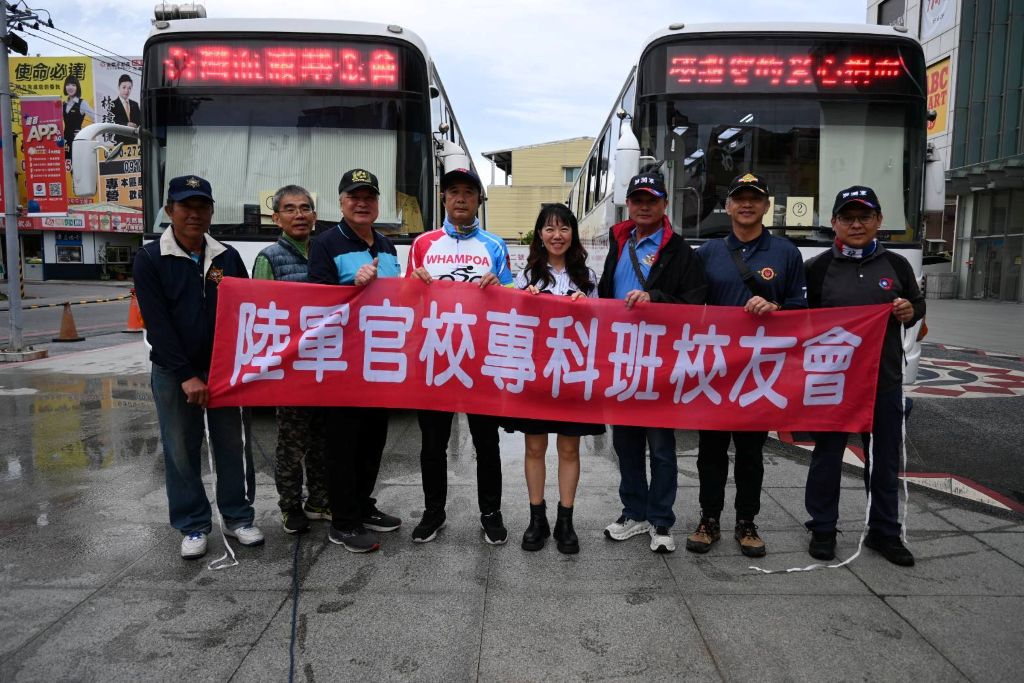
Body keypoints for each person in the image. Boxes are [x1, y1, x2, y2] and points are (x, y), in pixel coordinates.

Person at [132, 175, 262, 560]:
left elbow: (245, 311)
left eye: (202, 206)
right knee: (180, 448)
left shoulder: (227, 257)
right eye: (186, 206)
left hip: (224, 371)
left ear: (211, 212)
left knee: (233, 446)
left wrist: (243, 364)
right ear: (169, 210)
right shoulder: (150, 259)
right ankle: (192, 524)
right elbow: (157, 324)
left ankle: (238, 517)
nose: (194, 214)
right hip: (174, 373)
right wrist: (186, 375)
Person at [687, 172, 808, 558]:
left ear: (766, 206)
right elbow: (689, 307)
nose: (747, 205)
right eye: (739, 198)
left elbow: (802, 308)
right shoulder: (708, 253)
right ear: (727, 206)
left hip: (760, 371)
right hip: (715, 370)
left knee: (751, 452)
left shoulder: (786, 253)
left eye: (755, 198)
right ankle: (708, 519)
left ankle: (746, 521)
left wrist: (775, 307)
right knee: (710, 451)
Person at [804, 185, 925, 566]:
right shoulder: (817, 268)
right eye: (848, 218)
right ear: (834, 223)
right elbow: (798, 321)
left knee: (884, 460)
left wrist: (909, 311)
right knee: (827, 457)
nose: (856, 224)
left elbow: (917, 304)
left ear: (878, 221)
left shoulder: (897, 265)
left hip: (883, 381)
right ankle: (823, 528)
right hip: (833, 382)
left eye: (865, 217)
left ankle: (884, 532)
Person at [597, 171, 707, 553]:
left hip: (661, 362)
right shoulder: (619, 242)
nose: (644, 206)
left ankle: (661, 520)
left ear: (664, 204)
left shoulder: (680, 251)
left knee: (661, 447)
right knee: (625, 444)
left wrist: (655, 298)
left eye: (652, 200)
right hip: (622, 358)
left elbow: (696, 303)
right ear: (628, 204)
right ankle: (634, 512)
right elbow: (605, 295)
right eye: (638, 200)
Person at [406, 167, 513, 545]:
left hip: (480, 358)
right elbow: (405, 300)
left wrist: (500, 286)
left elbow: (512, 300)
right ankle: (433, 511)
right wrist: (411, 285)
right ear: (444, 198)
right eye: (454, 192)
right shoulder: (423, 244)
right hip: (435, 357)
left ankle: (491, 513)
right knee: (432, 445)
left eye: (469, 192)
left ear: (479, 200)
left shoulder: (495, 245)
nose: (461, 198)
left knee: (487, 442)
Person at [307, 168, 403, 553]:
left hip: (379, 361)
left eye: (369, 197)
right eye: (354, 197)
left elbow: (397, 299)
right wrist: (350, 285)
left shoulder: (388, 245)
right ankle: (343, 522)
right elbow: (314, 301)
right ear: (341, 202)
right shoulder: (325, 243)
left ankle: (363, 505)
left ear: (377, 203)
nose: (362, 204)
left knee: (373, 441)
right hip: (342, 363)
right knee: (343, 446)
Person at [505, 204, 603, 554]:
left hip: (573, 374)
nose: (556, 235)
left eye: (563, 228)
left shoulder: (587, 277)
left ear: (573, 234)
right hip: (536, 376)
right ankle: (537, 518)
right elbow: (513, 325)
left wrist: (587, 306)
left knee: (569, 448)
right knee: (534, 448)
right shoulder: (526, 277)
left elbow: (600, 327)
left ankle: (566, 520)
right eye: (549, 228)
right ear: (540, 235)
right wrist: (525, 302)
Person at [252, 185, 331, 535]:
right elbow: (259, 315)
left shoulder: (325, 253)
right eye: (290, 209)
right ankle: (290, 506)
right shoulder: (268, 258)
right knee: (291, 443)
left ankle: (319, 501)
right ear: (276, 218)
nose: (299, 215)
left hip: (325, 365)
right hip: (290, 369)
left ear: (315, 216)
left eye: (305, 208)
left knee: (322, 441)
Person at [62, 75, 98, 162]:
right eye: (68, 84)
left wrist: (84, 131)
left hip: (77, 140)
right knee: (67, 164)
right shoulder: (64, 104)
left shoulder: (82, 103)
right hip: (65, 140)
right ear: (65, 87)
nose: (70, 87)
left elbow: (96, 118)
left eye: (73, 85)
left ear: (77, 87)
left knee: (77, 164)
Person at [109, 73, 141, 144]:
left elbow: (140, 121)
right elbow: (112, 122)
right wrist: (126, 124)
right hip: (119, 142)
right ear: (118, 87)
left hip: (133, 142)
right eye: (124, 87)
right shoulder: (112, 104)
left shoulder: (135, 104)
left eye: (129, 88)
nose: (127, 91)